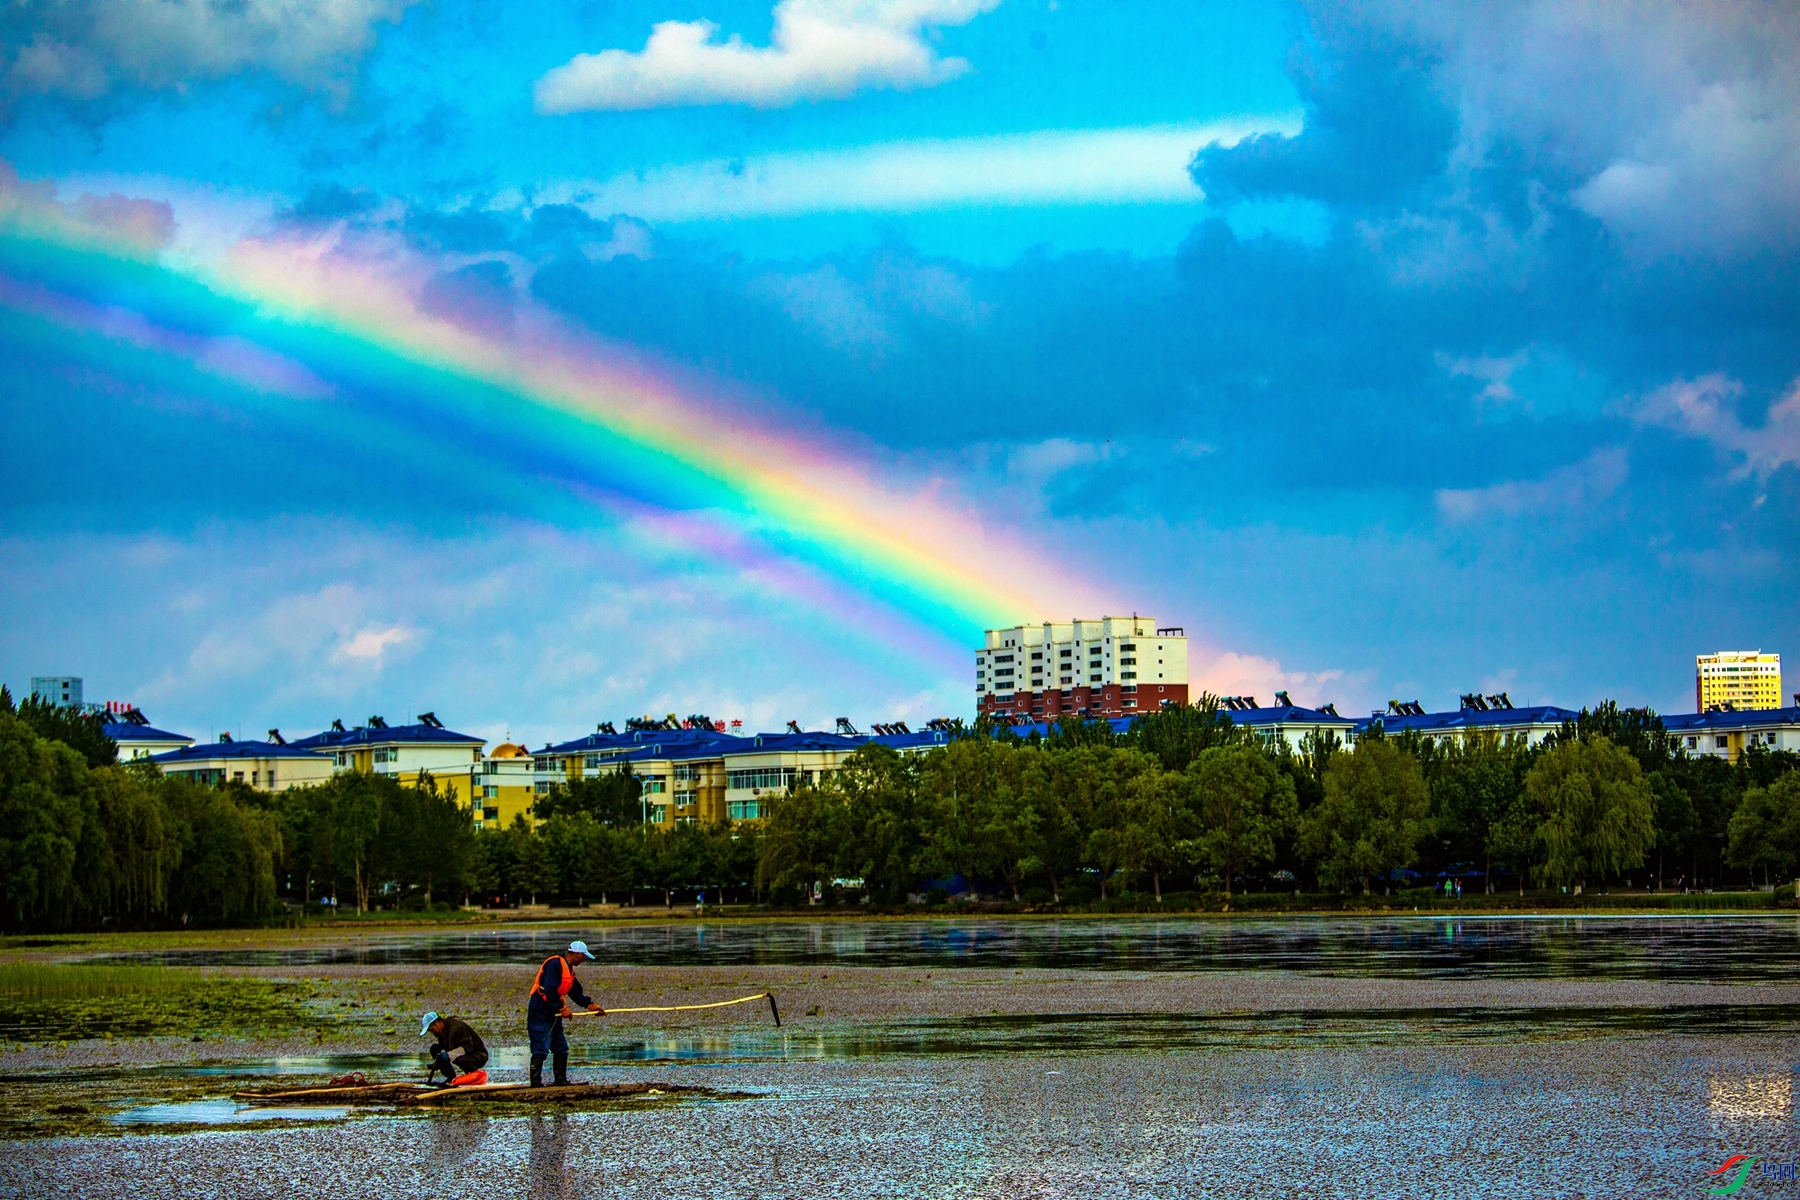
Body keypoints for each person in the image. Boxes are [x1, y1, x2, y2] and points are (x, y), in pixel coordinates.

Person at [527, 940, 604, 1087]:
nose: (583, 960)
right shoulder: (555, 964)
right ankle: (535, 1083)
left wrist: (589, 1005)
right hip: (540, 1009)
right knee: (540, 1047)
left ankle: (560, 1080)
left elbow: (575, 991)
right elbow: (549, 989)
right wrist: (562, 1008)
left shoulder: (569, 970)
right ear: (576, 954)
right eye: (583, 957)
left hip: (553, 1011)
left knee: (561, 1047)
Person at [420, 1011, 489, 1086]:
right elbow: (443, 1048)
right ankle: (450, 1077)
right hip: (459, 1053)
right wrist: (437, 1063)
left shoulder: (457, 1028)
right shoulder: (441, 1032)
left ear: (436, 1023)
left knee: (460, 1059)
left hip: (478, 1055)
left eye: (432, 1030)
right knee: (435, 1048)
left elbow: (467, 1048)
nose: (432, 1033)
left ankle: (474, 1075)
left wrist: (448, 1055)